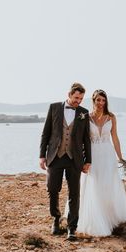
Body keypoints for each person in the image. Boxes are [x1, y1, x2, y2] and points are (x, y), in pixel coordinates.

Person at [72, 89, 126, 236]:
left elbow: (115, 138)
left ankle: (109, 217)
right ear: (93, 101)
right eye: (98, 100)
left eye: (103, 100)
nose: (101, 103)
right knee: (93, 183)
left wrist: (121, 157)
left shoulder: (111, 117)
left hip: (107, 155)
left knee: (107, 184)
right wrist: (81, 159)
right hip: (92, 155)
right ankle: (93, 219)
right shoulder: (86, 117)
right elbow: (80, 139)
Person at [39, 82, 92, 241]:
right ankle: (56, 219)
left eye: (81, 98)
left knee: (74, 193)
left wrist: (88, 160)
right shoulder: (54, 108)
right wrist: (42, 155)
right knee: (53, 189)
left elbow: (86, 139)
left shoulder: (84, 113)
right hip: (55, 156)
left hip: (74, 159)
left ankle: (72, 228)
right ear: (69, 94)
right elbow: (45, 133)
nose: (78, 101)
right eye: (76, 98)